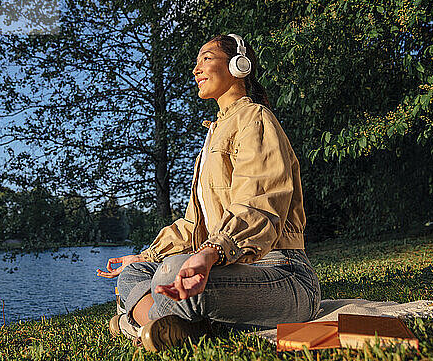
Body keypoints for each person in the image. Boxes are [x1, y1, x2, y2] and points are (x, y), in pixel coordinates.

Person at [96, 33, 321, 352]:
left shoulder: (255, 118)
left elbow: (258, 202)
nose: (196, 69)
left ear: (238, 65)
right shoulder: (214, 135)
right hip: (225, 266)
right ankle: (161, 327)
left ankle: (136, 323)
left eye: (207, 58)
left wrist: (209, 252)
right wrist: (144, 256)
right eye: (196, 62)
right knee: (138, 272)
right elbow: (192, 226)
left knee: (173, 271)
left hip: (281, 273)